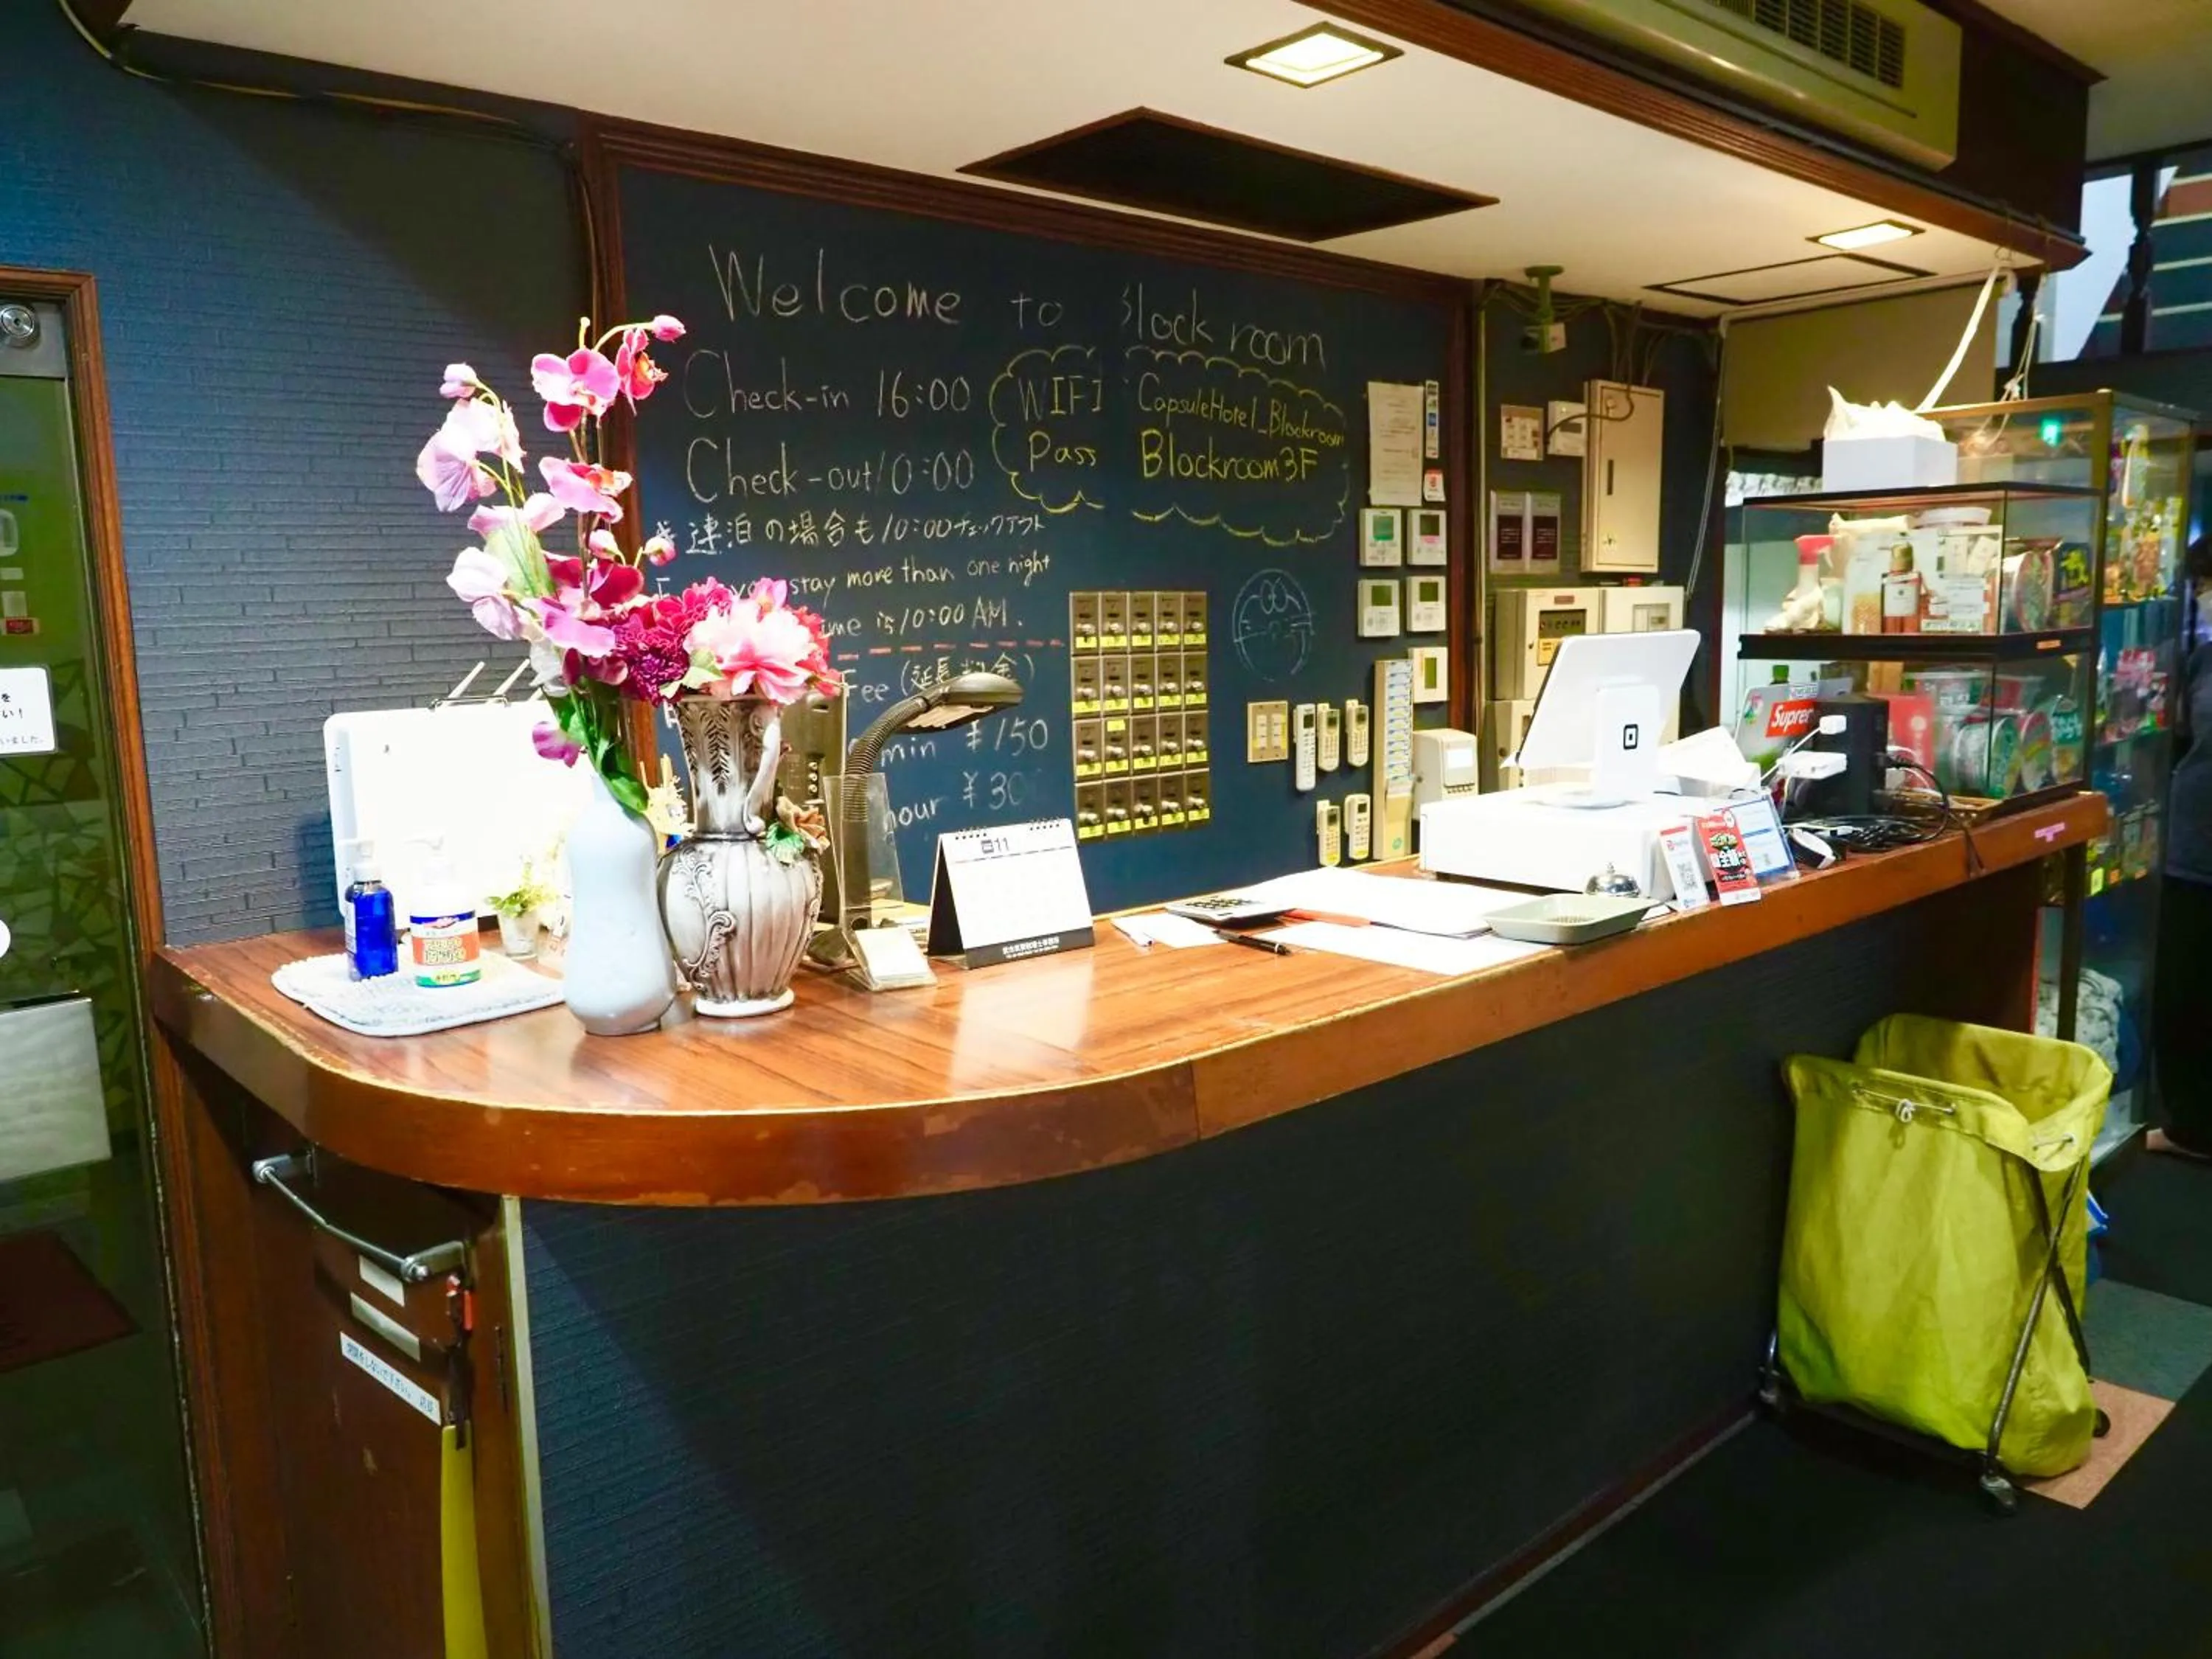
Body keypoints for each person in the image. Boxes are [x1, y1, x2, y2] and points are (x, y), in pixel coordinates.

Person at [2152, 531, 2212, 1156]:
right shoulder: (2199, 660)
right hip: (2192, 850)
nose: (2201, 599)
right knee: (2184, 990)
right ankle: (2191, 1126)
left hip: (2198, 845)